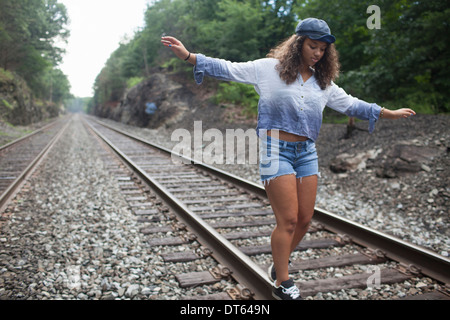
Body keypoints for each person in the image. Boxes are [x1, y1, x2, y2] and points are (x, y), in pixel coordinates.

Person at [161, 18, 415, 300]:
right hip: (275, 150)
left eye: (322, 49)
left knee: (305, 220)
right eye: (312, 46)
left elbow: (350, 104)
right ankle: (283, 281)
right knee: (289, 220)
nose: (317, 53)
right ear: (299, 44)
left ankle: (278, 262)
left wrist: (387, 112)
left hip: (306, 152)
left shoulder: (323, 82)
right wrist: (188, 56)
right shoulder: (269, 69)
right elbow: (229, 68)